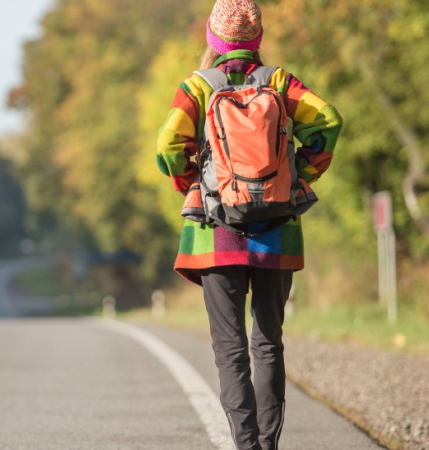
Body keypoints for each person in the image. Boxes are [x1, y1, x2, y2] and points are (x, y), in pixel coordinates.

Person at [155, 1, 343, 449]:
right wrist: (301, 175)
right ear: (257, 40)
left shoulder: (198, 87)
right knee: (268, 343)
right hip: (277, 225)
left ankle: (245, 445)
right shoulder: (280, 82)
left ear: (213, 40)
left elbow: (168, 144)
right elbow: (328, 122)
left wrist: (192, 183)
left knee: (230, 348)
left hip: (214, 231)